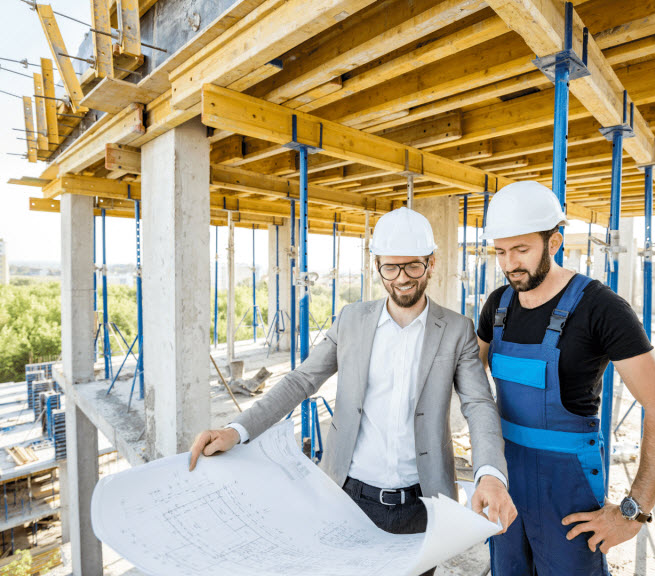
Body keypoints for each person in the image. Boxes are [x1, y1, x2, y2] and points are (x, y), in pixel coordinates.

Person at [189, 208, 517, 574]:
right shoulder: (351, 320)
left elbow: (478, 403)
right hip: (346, 496)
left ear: (431, 263)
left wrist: (489, 473)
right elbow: (302, 380)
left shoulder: (456, 329)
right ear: (376, 265)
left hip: (421, 505)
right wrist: (237, 429)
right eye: (390, 267)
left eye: (413, 266)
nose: (402, 278)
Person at [477, 182, 655, 576]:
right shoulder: (497, 306)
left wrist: (633, 512)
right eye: (501, 252)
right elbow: (467, 382)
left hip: (567, 491)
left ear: (554, 242)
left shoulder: (600, 308)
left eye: (521, 250)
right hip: (506, 480)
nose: (509, 264)